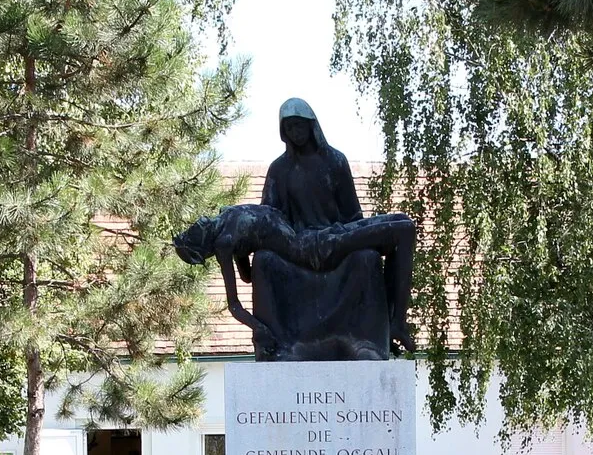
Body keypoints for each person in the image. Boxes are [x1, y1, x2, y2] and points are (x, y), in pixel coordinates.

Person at [197, 98, 414, 361]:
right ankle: (282, 348)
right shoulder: (279, 169)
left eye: (299, 126)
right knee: (265, 261)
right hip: (296, 250)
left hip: (336, 241)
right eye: (289, 129)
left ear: (312, 126)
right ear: (283, 133)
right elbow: (270, 219)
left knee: (366, 257)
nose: (295, 133)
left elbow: (353, 215)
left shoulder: (336, 161)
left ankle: (365, 341)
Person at [173, 205, 417, 361]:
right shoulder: (224, 244)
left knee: (402, 220)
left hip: (317, 237)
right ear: (200, 247)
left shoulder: (226, 216)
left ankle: (395, 323)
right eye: (191, 236)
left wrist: (244, 255)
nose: (194, 227)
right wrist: (258, 327)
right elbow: (234, 304)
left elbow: (247, 275)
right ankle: (397, 325)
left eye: (189, 231)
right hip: (314, 252)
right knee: (404, 230)